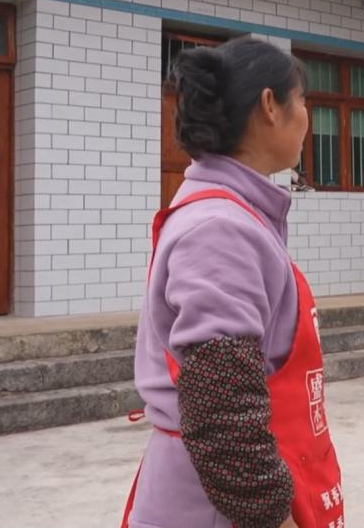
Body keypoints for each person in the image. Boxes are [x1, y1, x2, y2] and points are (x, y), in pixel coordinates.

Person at [123, 37, 343, 528]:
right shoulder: (220, 228)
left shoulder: (237, 213)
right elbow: (220, 406)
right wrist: (272, 515)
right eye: (302, 100)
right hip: (214, 509)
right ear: (270, 106)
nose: (307, 116)